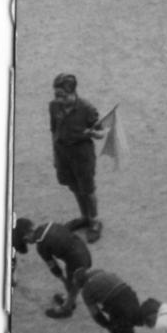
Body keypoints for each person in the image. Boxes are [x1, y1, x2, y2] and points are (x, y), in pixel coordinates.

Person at [49, 74, 104, 240]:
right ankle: (84, 217)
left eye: (63, 96)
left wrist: (93, 132)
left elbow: (101, 132)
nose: (59, 99)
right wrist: (55, 155)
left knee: (88, 189)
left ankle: (94, 221)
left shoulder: (87, 109)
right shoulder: (54, 106)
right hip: (63, 154)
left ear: (73, 92)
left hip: (82, 155)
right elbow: (54, 131)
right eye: (57, 95)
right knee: (74, 187)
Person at [12, 216, 91, 318]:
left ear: (26, 237)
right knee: (72, 282)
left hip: (76, 262)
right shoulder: (50, 225)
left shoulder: (41, 245)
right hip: (84, 253)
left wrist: (63, 280)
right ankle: (69, 300)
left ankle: (67, 308)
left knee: (72, 285)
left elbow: (53, 265)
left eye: (26, 241)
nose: (28, 243)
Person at [78, 266, 144, 333]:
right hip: (130, 295)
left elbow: (95, 313)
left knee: (117, 331)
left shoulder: (86, 291)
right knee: (125, 322)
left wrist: (108, 325)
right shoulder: (100, 272)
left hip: (116, 304)